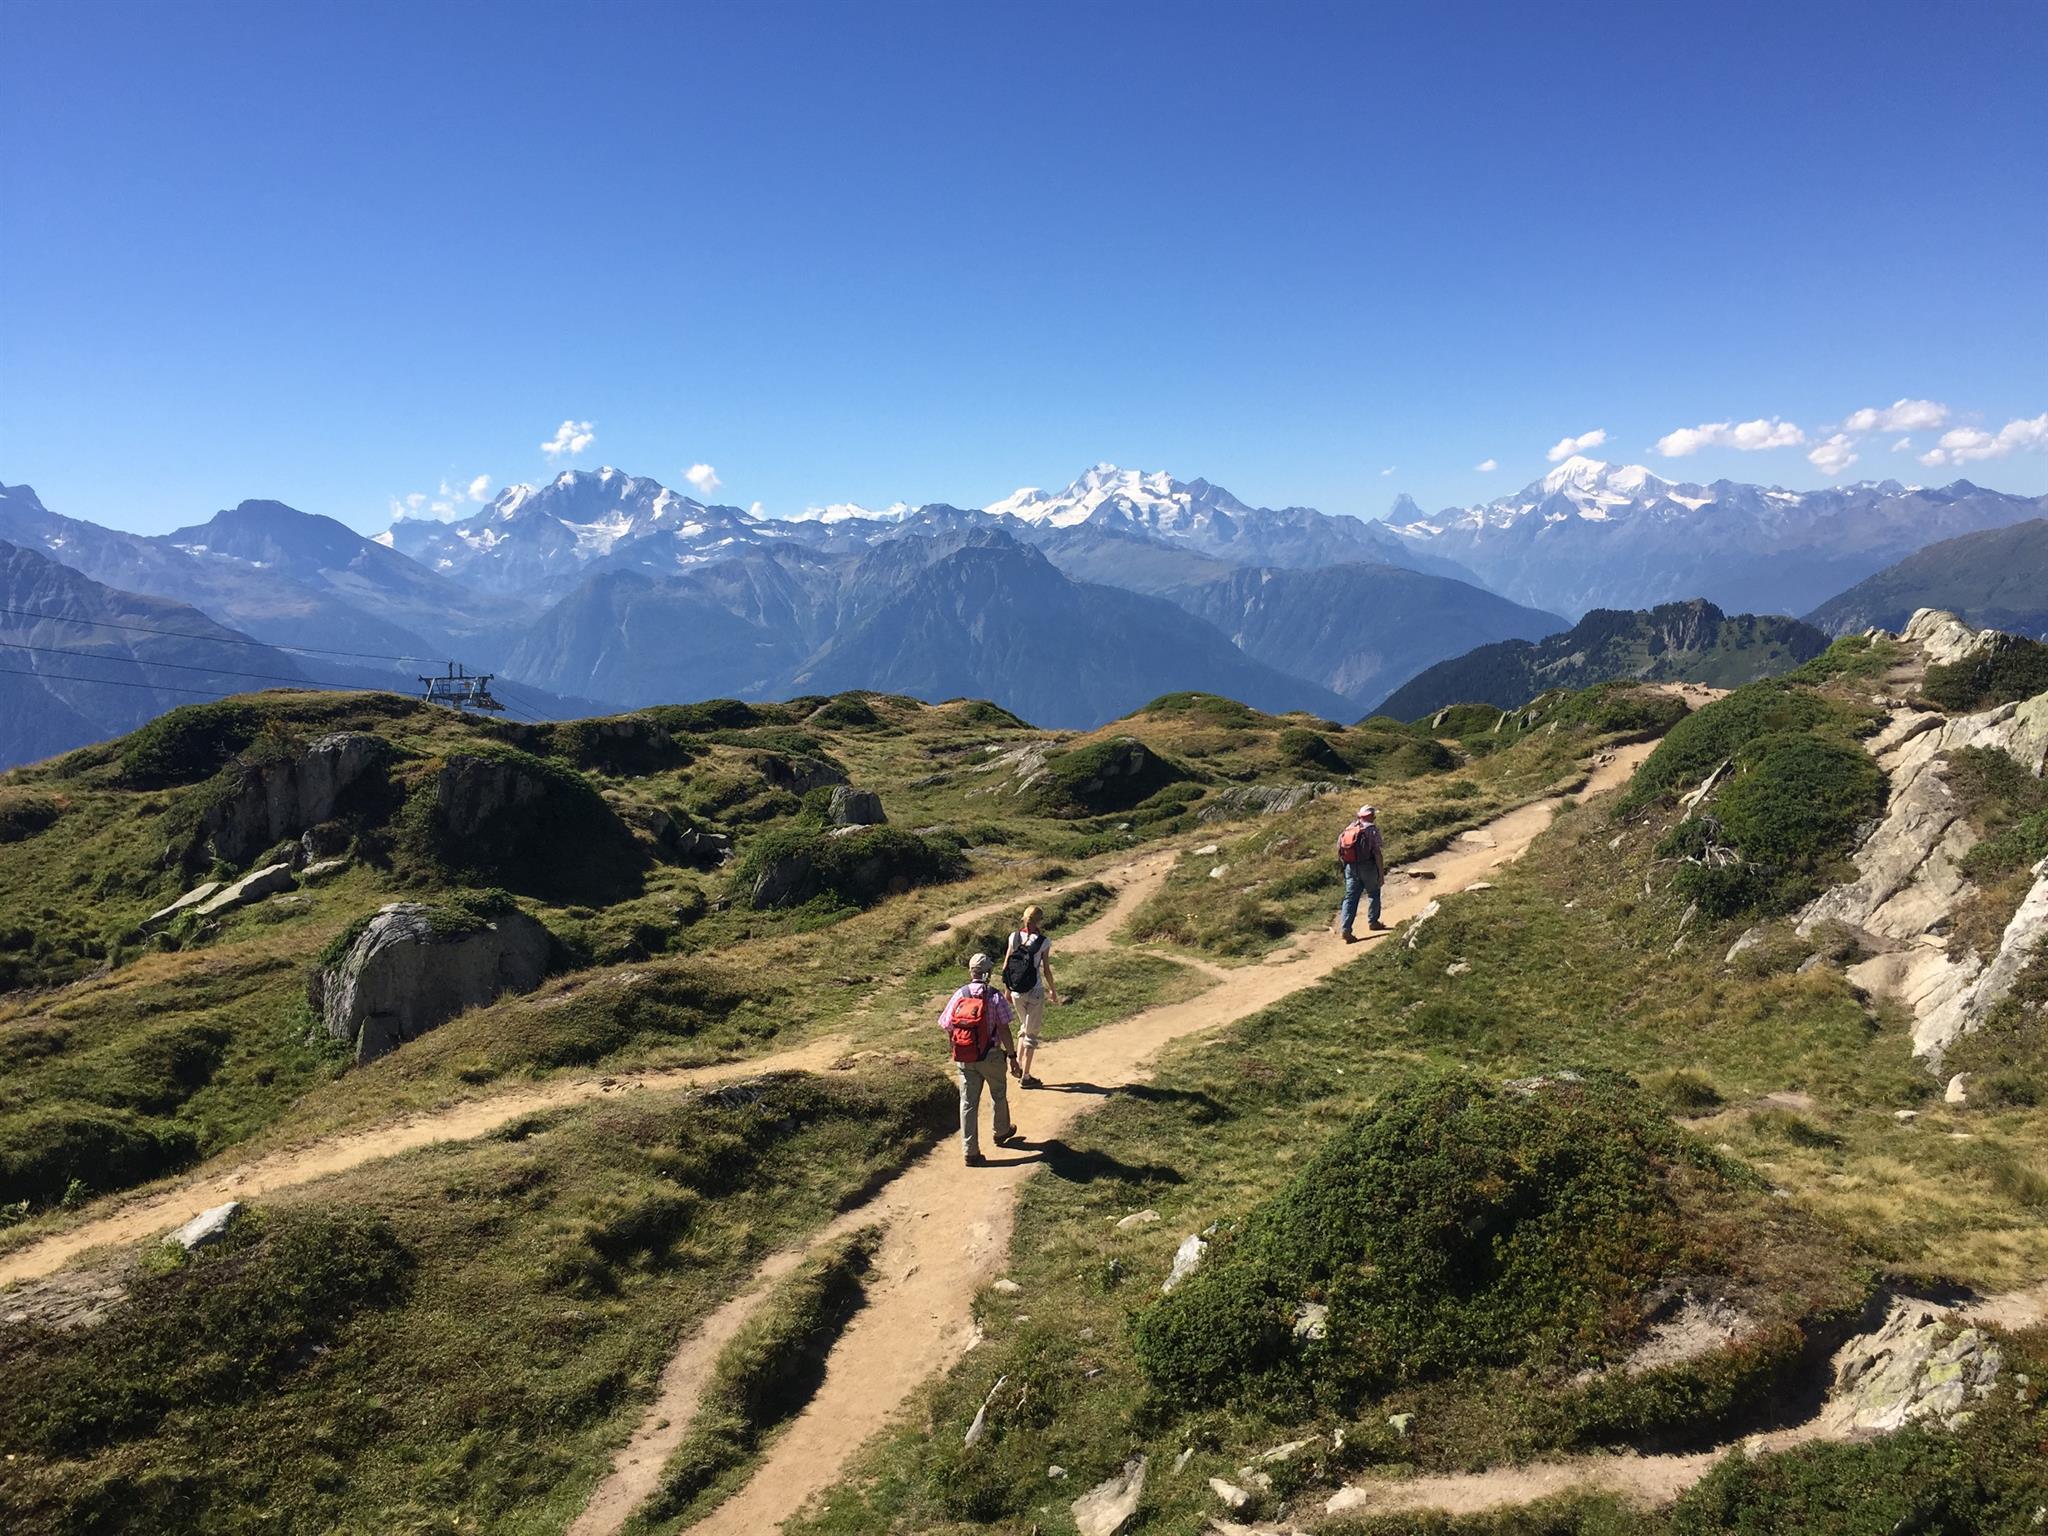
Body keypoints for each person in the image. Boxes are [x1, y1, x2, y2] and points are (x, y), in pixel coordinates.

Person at [939, 952, 1024, 1165]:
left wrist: (956, 1048)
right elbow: (1004, 1028)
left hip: (965, 1057)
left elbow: (947, 1024)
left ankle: (970, 1151)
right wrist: (1012, 1057)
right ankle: (1001, 1131)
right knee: (998, 1093)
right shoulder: (994, 996)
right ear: (988, 973)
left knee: (968, 1103)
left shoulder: (960, 994)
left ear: (971, 971)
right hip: (992, 1055)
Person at [1001, 903, 1062, 1088]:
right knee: (1031, 1035)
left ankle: (1018, 1066)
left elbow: (1006, 966)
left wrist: (1007, 990)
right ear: (1039, 921)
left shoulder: (1014, 937)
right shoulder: (1043, 941)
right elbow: (1046, 969)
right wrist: (1052, 990)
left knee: (1023, 1027)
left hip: (1017, 990)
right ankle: (1026, 1077)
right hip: (1034, 990)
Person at [1338, 803, 1387, 941]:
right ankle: (1373, 922)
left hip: (1350, 867)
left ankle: (1346, 928)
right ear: (1371, 816)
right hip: (1368, 866)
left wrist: (1347, 867)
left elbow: (1340, 850)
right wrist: (1381, 873)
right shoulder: (1371, 830)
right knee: (1373, 892)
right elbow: (1377, 853)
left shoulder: (1349, 829)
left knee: (1350, 898)